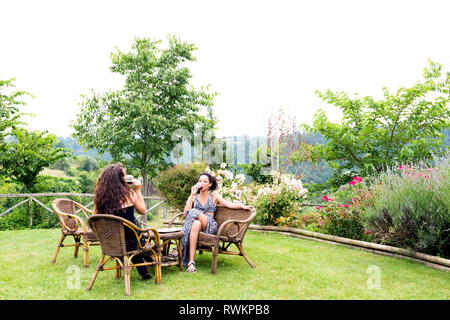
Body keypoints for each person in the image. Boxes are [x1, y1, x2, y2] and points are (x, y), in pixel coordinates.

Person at [180, 172, 254, 273]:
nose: (201, 183)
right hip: (197, 226)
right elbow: (185, 214)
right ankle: (191, 262)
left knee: (193, 212)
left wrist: (243, 206)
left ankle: (180, 247)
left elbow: (230, 205)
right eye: (200, 181)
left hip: (210, 226)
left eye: (204, 181)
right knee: (195, 223)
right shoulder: (194, 198)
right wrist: (192, 194)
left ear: (210, 184)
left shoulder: (214, 196)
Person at [93, 162, 151, 280]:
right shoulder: (129, 194)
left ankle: (143, 268)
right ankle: (146, 267)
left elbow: (94, 218)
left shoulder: (99, 197)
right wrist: (137, 190)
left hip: (110, 241)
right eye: (124, 176)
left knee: (128, 239)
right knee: (137, 238)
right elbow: (143, 211)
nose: (126, 179)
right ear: (120, 180)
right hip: (133, 240)